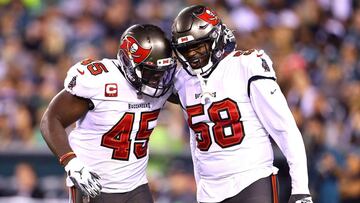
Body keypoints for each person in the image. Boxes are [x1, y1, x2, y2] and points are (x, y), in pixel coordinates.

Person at [171, 5, 312, 203]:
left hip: (251, 182)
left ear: (216, 38)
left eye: (198, 47)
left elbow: (284, 128)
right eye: (186, 49)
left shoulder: (246, 65)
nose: (192, 55)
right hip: (209, 190)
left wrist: (301, 188)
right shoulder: (182, 79)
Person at [40, 24, 176, 203]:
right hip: (94, 184)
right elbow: (51, 119)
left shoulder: (160, 83)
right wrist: (71, 162)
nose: (158, 79)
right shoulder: (100, 81)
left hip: (136, 186)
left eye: (162, 72)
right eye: (151, 71)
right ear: (129, 62)